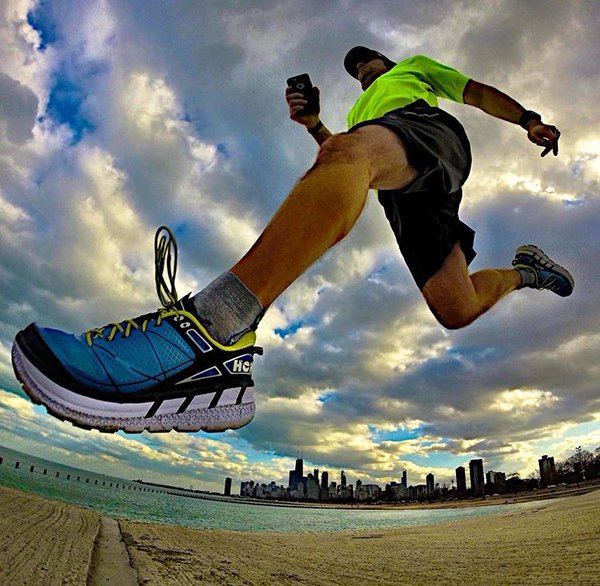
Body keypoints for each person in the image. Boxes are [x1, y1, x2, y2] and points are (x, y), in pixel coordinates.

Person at [12, 46, 573, 435]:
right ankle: (529, 270)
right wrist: (315, 127)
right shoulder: (358, 111)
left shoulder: (414, 71)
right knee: (456, 307)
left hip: (428, 133)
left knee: (351, 150)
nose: (363, 72)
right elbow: (341, 154)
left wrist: (528, 119)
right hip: (400, 185)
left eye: (368, 63)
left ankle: (217, 328)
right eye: (357, 70)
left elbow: (475, 93)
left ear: (387, 61)